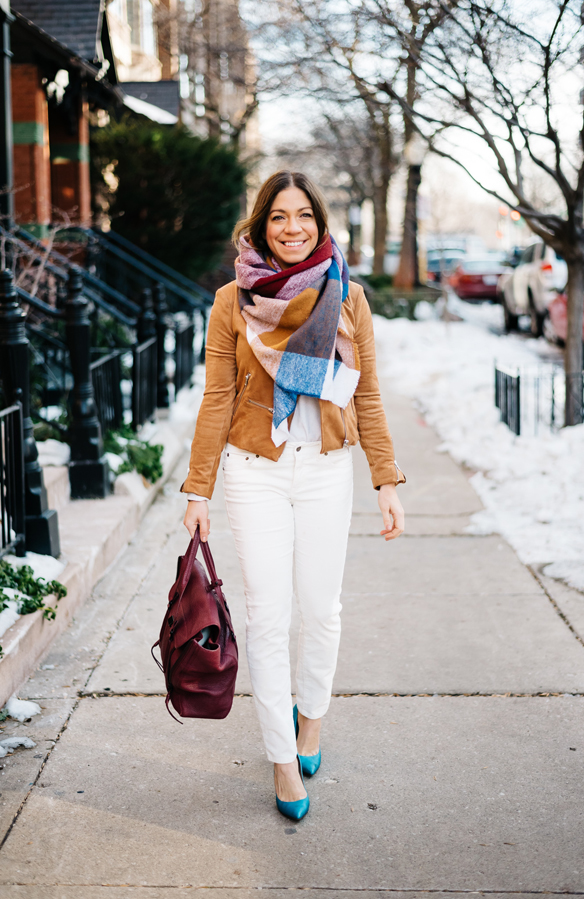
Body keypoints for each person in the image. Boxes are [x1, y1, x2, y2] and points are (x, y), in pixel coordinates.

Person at [182, 170, 405, 821]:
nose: (291, 228)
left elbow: (366, 395)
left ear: (319, 221)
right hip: (255, 472)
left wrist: (386, 480)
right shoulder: (233, 300)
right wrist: (199, 489)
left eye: (302, 215)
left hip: (327, 471)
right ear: (260, 224)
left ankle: (312, 723)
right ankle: (283, 757)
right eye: (278, 216)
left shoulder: (348, 297)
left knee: (322, 609)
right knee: (266, 616)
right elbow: (217, 397)